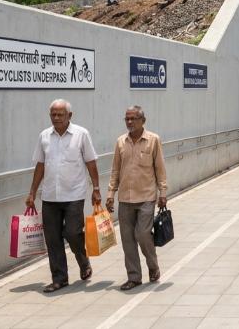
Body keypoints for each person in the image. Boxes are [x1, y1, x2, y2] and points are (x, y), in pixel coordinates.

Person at [26, 99, 100, 293]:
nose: (56, 118)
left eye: (60, 114)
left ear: (70, 116)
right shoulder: (44, 136)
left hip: (74, 194)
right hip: (50, 195)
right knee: (52, 239)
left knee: (73, 232)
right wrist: (32, 192)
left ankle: (83, 261)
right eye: (53, 114)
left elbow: (91, 162)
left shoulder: (81, 134)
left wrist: (97, 188)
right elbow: (40, 165)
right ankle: (60, 278)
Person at [106, 106, 168, 290]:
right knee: (127, 239)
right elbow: (115, 170)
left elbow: (160, 169)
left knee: (142, 234)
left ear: (143, 120)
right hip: (125, 198)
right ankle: (134, 277)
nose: (129, 122)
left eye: (133, 119)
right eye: (127, 119)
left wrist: (163, 192)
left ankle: (153, 265)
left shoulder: (153, 140)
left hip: (146, 197)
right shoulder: (120, 142)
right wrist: (110, 193)